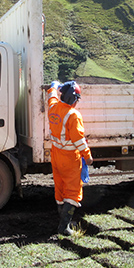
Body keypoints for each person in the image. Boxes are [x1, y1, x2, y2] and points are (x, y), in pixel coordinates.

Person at [47, 80, 93, 236]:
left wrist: (54, 86)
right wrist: (88, 156)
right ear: (74, 98)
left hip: (56, 157)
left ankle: (62, 218)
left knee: (60, 188)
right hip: (70, 160)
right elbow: (79, 140)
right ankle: (64, 227)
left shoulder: (53, 108)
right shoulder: (74, 115)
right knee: (73, 191)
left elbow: (51, 96)